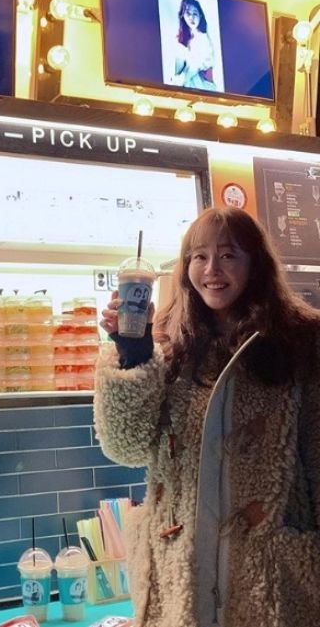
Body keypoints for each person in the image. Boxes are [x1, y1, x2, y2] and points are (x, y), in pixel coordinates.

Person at [94, 206, 320, 627]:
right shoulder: (166, 342)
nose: (211, 269)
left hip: (272, 581)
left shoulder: (303, 341)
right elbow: (125, 447)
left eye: (228, 255)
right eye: (199, 256)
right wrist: (133, 355)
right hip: (179, 577)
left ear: (256, 263)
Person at [170, 0, 216, 91]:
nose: (192, 17)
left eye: (195, 13)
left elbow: (196, 65)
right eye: (188, 13)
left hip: (203, 87)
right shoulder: (184, 39)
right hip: (189, 87)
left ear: (200, 15)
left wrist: (180, 80)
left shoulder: (203, 37)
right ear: (183, 15)